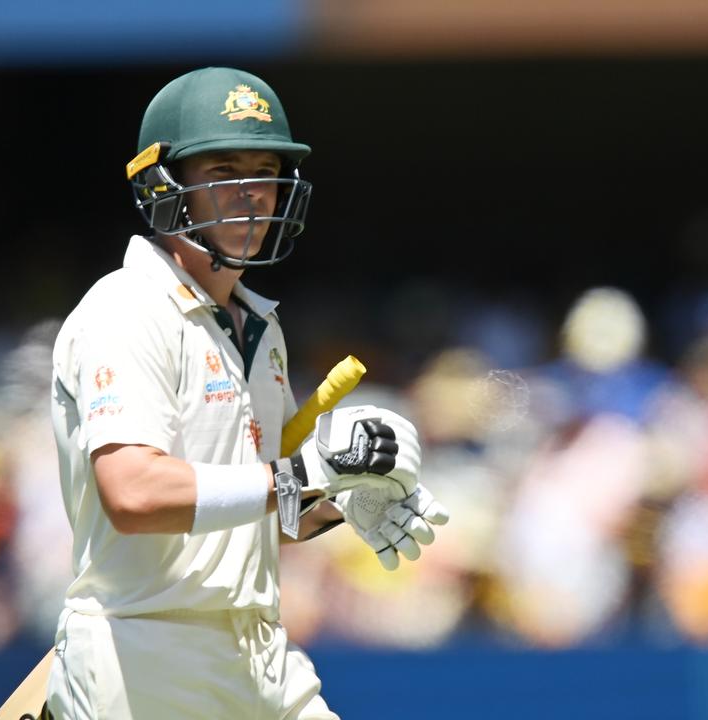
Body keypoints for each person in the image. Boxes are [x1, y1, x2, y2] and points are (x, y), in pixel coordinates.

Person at [45, 67, 449, 720]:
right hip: (142, 647)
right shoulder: (126, 308)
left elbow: (260, 505)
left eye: (265, 170)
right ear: (163, 185)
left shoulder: (260, 323)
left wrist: (342, 499)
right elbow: (135, 493)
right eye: (224, 169)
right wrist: (299, 476)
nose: (253, 193)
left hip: (258, 648)